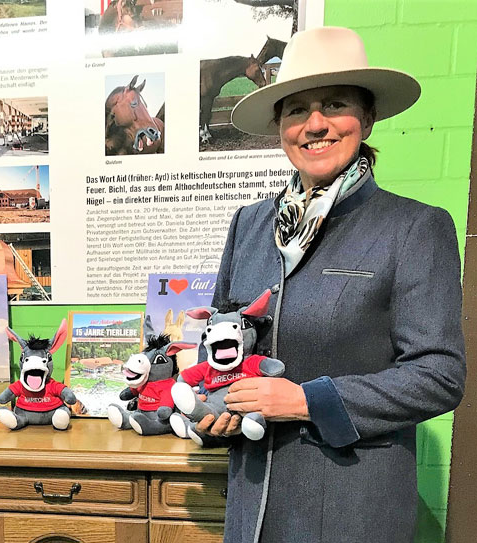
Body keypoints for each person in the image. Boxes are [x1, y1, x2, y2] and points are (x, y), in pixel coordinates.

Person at [196, 26, 466, 543]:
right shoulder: (248, 224)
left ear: (367, 119)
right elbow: (221, 349)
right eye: (297, 110)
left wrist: (305, 401)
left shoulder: (413, 227)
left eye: (335, 105)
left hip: (350, 510)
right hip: (252, 510)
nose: (315, 124)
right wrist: (213, 411)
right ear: (280, 126)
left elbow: (439, 375)